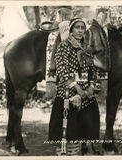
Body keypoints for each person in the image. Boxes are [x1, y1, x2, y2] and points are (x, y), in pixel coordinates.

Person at [48, 18, 100, 155]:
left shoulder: (87, 49)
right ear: (71, 30)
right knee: (68, 134)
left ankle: (80, 151)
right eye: (77, 27)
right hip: (68, 92)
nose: (80, 30)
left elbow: (93, 70)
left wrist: (91, 86)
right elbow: (62, 69)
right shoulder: (64, 46)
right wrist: (77, 88)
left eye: (83, 28)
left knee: (84, 130)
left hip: (86, 94)